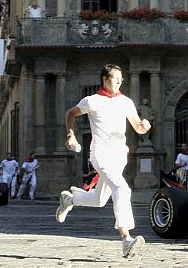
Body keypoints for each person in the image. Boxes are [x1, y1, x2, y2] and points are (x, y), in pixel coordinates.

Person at [57, 63, 151, 259]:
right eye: (116, 78)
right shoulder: (92, 100)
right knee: (122, 189)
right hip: (100, 153)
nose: (119, 81)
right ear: (105, 79)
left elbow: (138, 128)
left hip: (119, 156)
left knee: (99, 200)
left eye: (121, 79)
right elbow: (70, 114)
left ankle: (70, 199)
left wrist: (145, 126)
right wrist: (70, 135)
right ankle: (126, 239)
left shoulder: (126, 102)